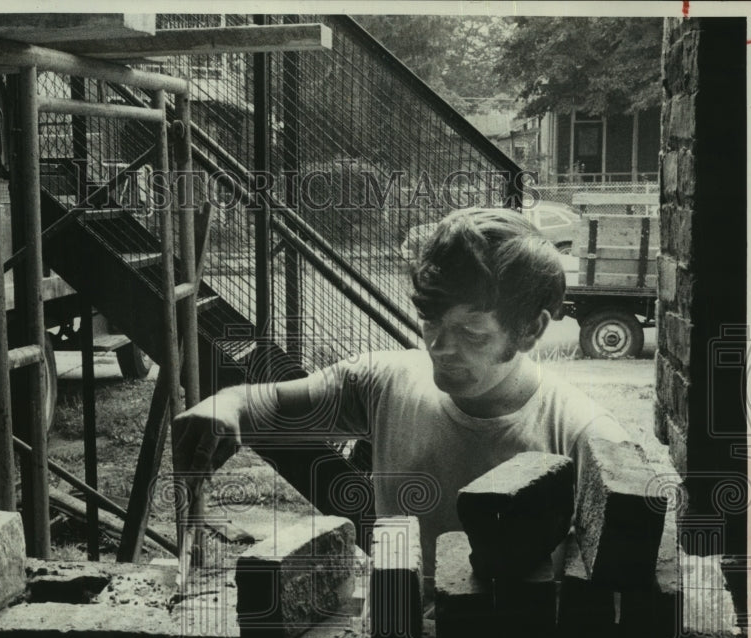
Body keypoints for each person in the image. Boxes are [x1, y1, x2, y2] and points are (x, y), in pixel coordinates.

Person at [173, 207, 629, 599]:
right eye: (431, 320)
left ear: (531, 329)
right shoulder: (383, 382)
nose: (439, 347)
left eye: (471, 332)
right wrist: (226, 406)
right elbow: (260, 408)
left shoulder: (584, 438)